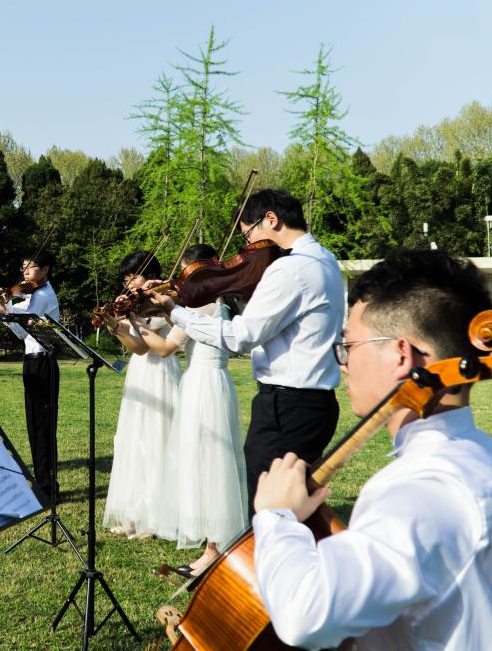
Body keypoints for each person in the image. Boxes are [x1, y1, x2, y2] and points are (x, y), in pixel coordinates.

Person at [252, 249, 492, 649]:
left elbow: (304, 616)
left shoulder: (416, 492)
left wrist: (277, 517)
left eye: (349, 346)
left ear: (402, 354)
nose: (343, 364)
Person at [146, 189, 344, 515]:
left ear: (271, 219)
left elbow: (241, 336)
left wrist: (175, 310)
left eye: (249, 234)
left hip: (286, 405)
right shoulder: (326, 259)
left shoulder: (289, 269)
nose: (249, 247)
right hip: (316, 404)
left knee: (268, 512)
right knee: (298, 508)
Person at [151, 244, 247, 573]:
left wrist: (161, 310)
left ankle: (214, 546)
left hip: (203, 385)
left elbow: (167, 343)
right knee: (213, 459)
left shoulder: (203, 305)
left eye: (185, 270)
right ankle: (213, 541)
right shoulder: (217, 301)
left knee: (208, 460)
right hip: (216, 383)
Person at [100, 250, 184, 540]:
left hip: (161, 372)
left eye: (132, 277)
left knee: (156, 438)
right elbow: (136, 348)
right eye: (125, 279)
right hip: (140, 370)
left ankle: (156, 516)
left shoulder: (164, 297)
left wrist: (134, 317)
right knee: (133, 438)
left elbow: (157, 345)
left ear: (149, 275)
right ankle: (134, 514)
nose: (129, 285)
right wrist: (114, 325)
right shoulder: (136, 303)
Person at [0, 249, 61, 501]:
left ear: (44, 271)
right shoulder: (32, 295)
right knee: (34, 424)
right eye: (23, 267)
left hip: (44, 362)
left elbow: (21, 332)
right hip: (32, 361)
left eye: (30, 268)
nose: (25, 273)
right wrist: (5, 304)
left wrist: (5, 307)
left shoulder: (43, 295)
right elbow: (18, 321)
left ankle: (48, 486)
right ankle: (42, 482)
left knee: (43, 426)